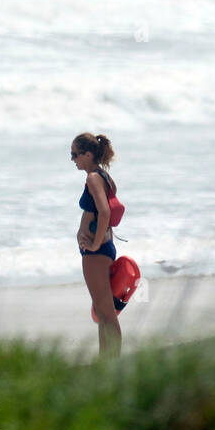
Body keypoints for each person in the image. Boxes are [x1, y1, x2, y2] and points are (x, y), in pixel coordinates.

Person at [72, 132, 121, 358]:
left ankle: (112, 363)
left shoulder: (93, 178)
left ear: (88, 154)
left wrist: (94, 244)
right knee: (103, 313)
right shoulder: (104, 176)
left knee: (107, 314)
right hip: (103, 248)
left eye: (74, 154)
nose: (73, 160)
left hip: (97, 253)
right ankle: (106, 361)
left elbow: (104, 211)